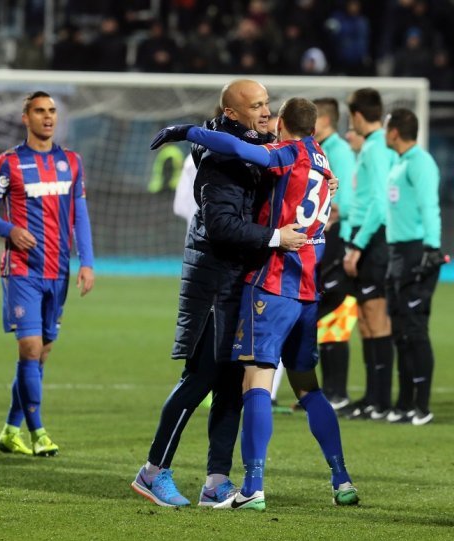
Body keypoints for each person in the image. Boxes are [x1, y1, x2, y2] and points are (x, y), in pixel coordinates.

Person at [158, 97, 359, 511]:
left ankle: (252, 487)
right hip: (308, 292)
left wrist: (185, 131)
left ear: (282, 121)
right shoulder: (322, 161)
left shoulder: (283, 154)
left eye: (271, 109)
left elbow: (235, 148)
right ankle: (341, 479)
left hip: (273, 286)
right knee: (308, 388)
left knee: (255, 384)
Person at [132, 79, 306, 508]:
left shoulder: (253, 150)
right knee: (201, 379)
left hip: (240, 283)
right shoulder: (221, 158)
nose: (266, 112)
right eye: (256, 106)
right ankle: (152, 472)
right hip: (213, 285)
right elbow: (223, 225)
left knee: (231, 385)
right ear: (232, 113)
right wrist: (275, 237)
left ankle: (216, 482)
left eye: (267, 103)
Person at [0, 91, 95, 458]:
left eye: (52, 112)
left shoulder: (71, 162)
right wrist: (9, 231)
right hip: (22, 270)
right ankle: (39, 431)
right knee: (29, 348)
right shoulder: (8, 163)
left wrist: (87, 262)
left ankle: (11, 430)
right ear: (25, 117)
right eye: (40, 111)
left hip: (57, 271)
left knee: (40, 355)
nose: (48, 117)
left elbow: (79, 217)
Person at [383, 109, 443, 425]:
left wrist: (432, 249)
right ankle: (404, 402)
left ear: (394, 132)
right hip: (396, 253)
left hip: (415, 251)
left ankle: (422, 405)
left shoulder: (420, 163)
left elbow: (429, 206)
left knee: (415, 329)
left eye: (386, 128)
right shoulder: (399, 162)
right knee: (401, 331)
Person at [342, 88, 397, 420]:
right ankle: (372, 397)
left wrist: (357, 246)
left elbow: (378, 203)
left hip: (373, 240)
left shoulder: (375, 150)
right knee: (365, 320)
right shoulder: (375, 148)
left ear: (358, 115)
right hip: (366, 238)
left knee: (376, 319)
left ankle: (381, 399)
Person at [313, 98, 358, 410]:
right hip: (326, 242)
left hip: (336, 242)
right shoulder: (324, 147)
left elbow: (345, 201)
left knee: (335, 315)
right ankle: (327, 391)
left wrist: (323, 218)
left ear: (325, 120)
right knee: (325, 316)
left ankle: (337, 391)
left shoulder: (338, 151)